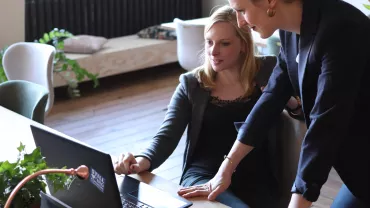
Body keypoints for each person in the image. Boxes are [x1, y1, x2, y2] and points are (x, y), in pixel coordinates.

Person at [179, 0, 370, 207]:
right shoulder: (291, 31)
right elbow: (271, 97)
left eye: (242, 11)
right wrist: (225, 169)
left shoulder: (342, 29)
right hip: (358, 170)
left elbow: (325, 128)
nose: (240, 22)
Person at [113, 5, 298, 207]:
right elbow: (167, 135)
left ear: (243, 44)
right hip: (203, 177)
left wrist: (288, 102)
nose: (213, 51)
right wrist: (141, 160)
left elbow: (305, 115)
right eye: (209, 42)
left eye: (224, 43)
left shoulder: (269, 69)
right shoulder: (192, 84)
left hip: (258, 180)